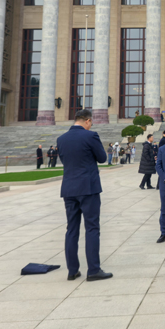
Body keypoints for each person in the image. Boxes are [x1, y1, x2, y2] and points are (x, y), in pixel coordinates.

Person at [56, 109, 112, 281]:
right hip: (88, 188)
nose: (91, 125)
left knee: (71, 229)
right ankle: (93, 270)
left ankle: (72, 270)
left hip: (69, 188)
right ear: (87, 121)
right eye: (91, 123)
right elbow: (102, 158)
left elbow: (65, 161)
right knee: (92, 228)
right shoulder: (91, 136)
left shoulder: (61, 139)